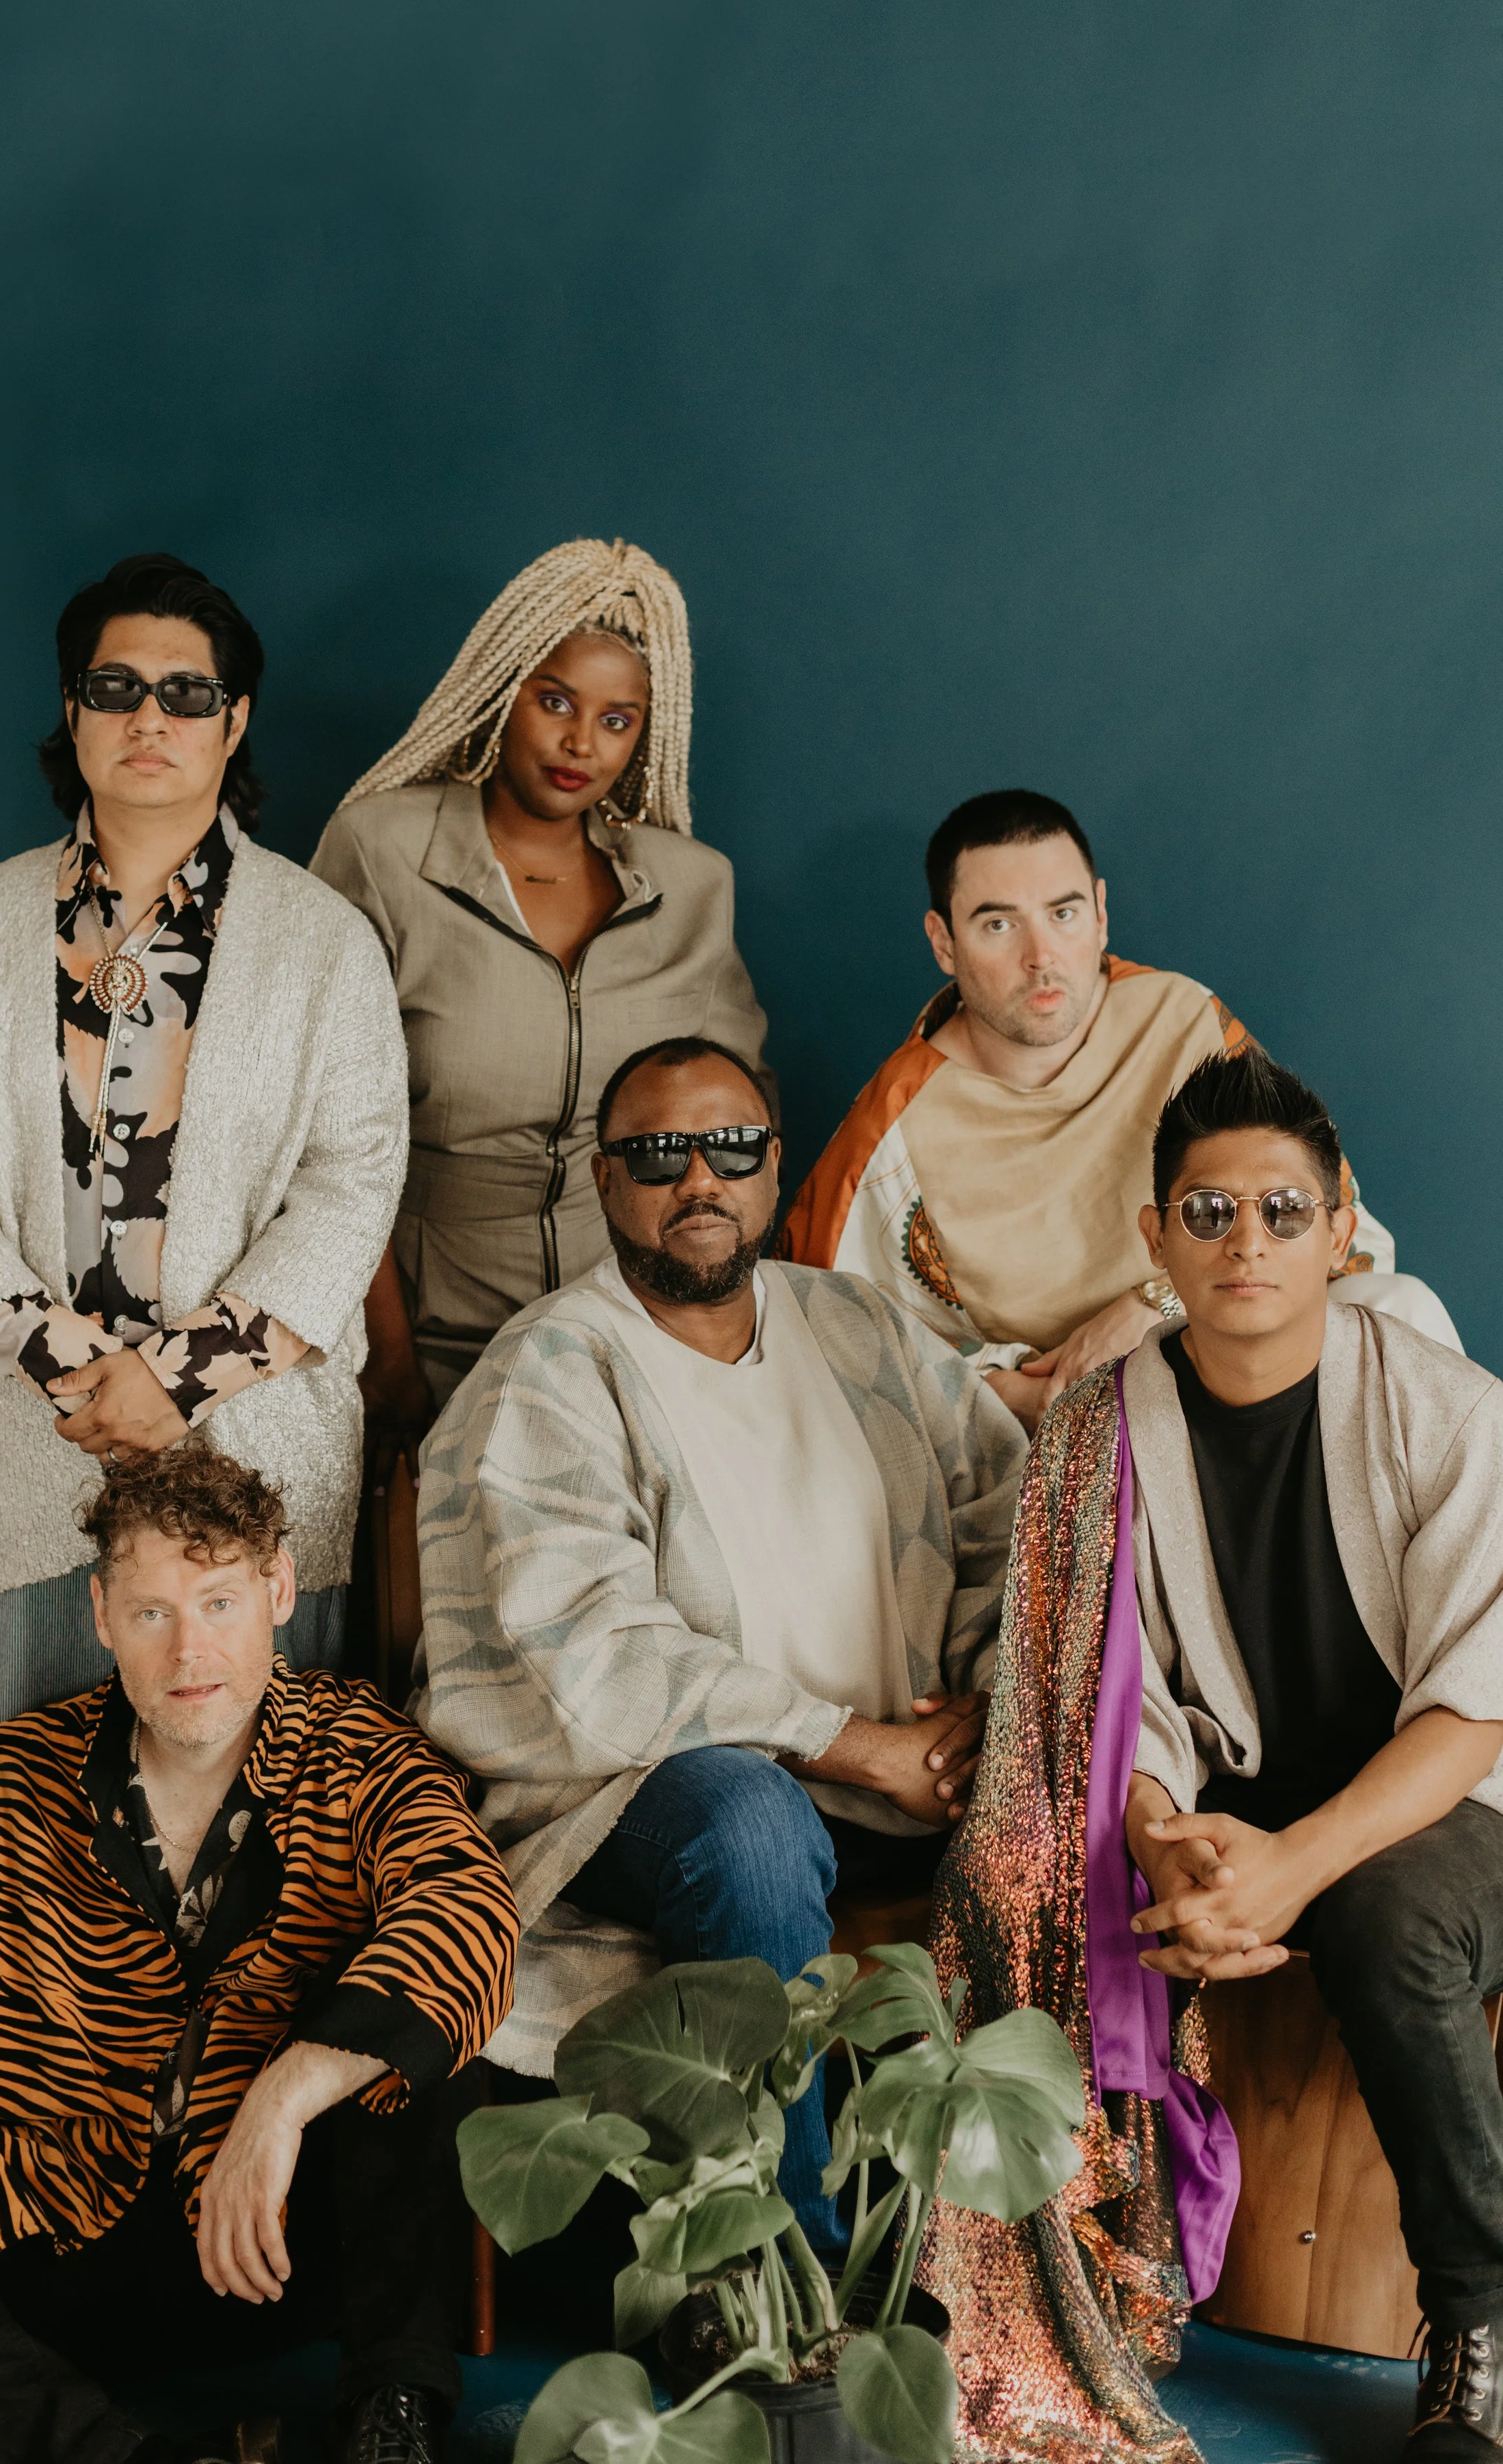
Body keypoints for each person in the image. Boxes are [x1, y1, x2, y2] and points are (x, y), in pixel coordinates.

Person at [913, 1050, 1503, 2464]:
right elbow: (1105, 1692)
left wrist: (1292, 1869)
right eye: (1210, 1211)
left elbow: (1475, 1706)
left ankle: (1476, 2322)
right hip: (1229, 1813)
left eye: (1282, 1212)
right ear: (1155, 1237)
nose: (1246, 1244)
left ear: (1340, 1225)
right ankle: (1045, 2299)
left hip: (1448, 1800)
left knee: (1383, 1916)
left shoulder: (1448, 1408)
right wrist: (1164, 1832)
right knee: (1011, 1875)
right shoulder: (1099, 1427)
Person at [414, 1034, 1026, 2256]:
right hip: (640, 1800)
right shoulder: (554, 1369)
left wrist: (975, 1707)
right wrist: (849, 1748)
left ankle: (1024, 2255)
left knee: (1096, 1773)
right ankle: (778, 2276)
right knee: (750, 1816)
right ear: (604, 1181)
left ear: (772, 1167)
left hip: (906, 1771)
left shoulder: (859, 1325)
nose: (699, 1178)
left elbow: (1001, 1511)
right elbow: (592, 1650)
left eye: (731, 1146)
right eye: (657, 1154)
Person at [0, 1444, 516, 2464]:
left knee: (416, 2039)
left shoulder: (364, 1752)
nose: (189, 1653)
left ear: (278, 1589)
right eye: (152, 1613)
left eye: (220, 1602)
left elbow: (467, 1907)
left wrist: (283, 2097)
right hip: (51, 2232)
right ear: (100, 1615)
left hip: (283, 2242)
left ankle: (386, 2422)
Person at [0, 552, 408, 1733]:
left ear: (236, 720)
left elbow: (354, 1179)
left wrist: (175, 1379)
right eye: (114, 689)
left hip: (255, 1447)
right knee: (38, 1823)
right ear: (74, 712)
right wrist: (71, 1368)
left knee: (272, 1834)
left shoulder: (327, 944)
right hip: (34, 1447)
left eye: (187, 692)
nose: (149, 717)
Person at [782, 787, 1457, 1432]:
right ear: (943, 941)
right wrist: (1012, 1392)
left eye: (1063, 913)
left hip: (1245, 1359)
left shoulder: (1180, 1018)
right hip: (1071, 1435)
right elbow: (837, 1349)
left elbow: (1328, 1227)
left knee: (1402, 1310)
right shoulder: (895, 1130)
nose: (1040, 957)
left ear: (1101, 913)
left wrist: (1149, 1306)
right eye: (997, 924)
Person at [310, 537, 771, 1467]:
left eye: (617, 719)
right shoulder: (382, 850)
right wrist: (387, 1364)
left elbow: (742, 1129)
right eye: (554, 701)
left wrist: (711, 1332)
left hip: (635, 1341)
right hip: (431, 1340)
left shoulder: (693, 885)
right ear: (500, 689)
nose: (579, 744)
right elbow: (322, 1135)